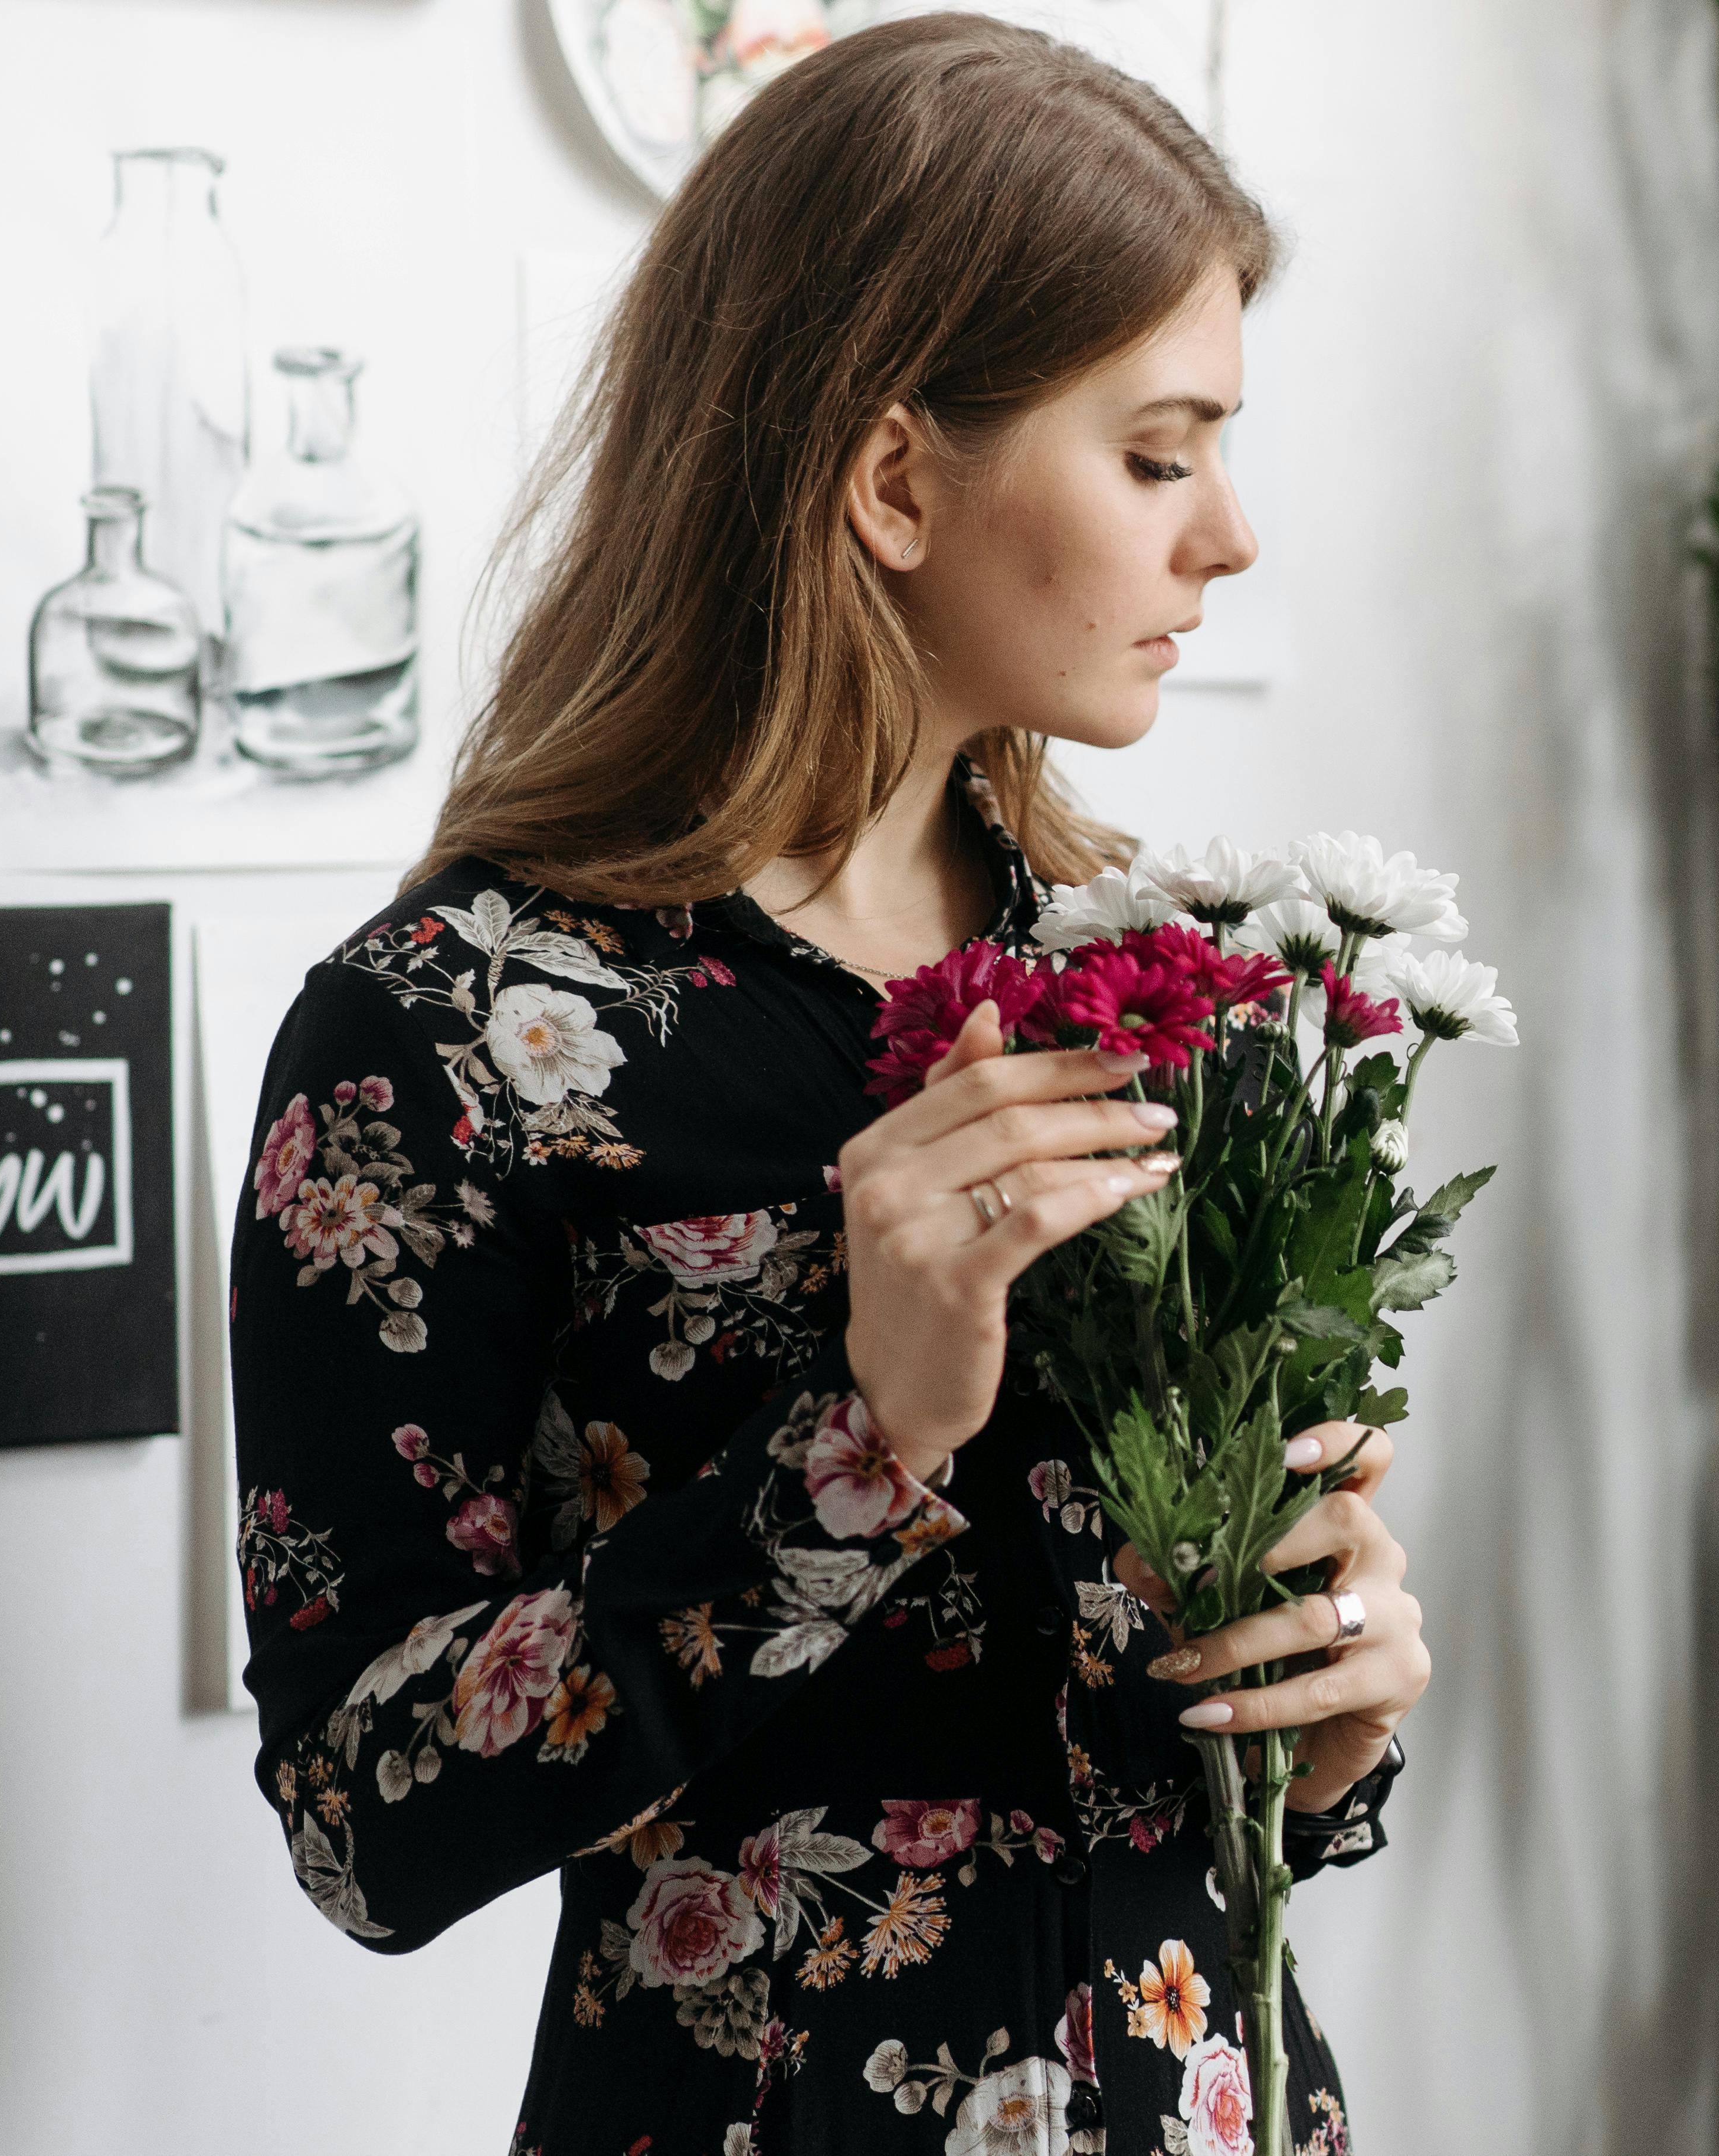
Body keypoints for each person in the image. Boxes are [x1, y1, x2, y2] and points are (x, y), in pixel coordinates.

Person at [224, 18, 1427, 2152]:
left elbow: (1197, 1761)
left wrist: (1324, 1718)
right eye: (1158, 454)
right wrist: (858, 1444)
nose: (1228, 536)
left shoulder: (1162, 980)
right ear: (892, 480)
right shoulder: (439, 1033)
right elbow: (358, 1825)